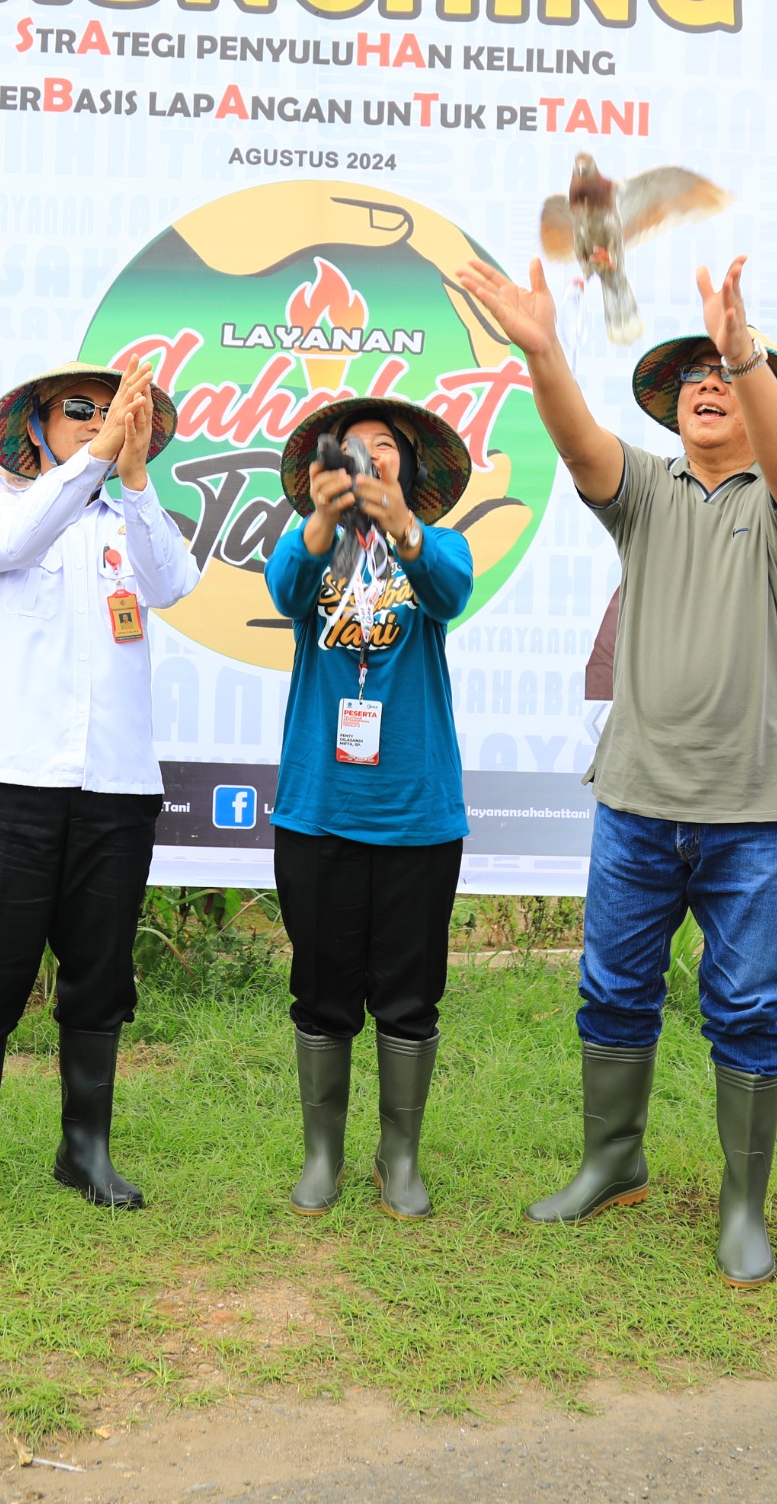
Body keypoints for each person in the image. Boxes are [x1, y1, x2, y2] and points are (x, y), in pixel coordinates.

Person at [458, 254, 777, 1284]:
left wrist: (743, 345)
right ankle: (610, 1161)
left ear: (769, 405)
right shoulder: (644, 493)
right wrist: (540, 347)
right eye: (693, 378)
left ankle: (742, 1204)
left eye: (727, 375)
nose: (708, 385)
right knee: (613, 988)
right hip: (634, 802)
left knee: (750, 1003)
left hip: (756, 812)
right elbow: (579, 441)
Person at [0, 358, 196, 1221]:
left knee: (100, 975)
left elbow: (175, 585)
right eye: (81, 409)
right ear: (38, 427)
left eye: (115, 410)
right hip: (17, 781)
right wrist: (89, 463)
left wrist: (135, 472)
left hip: (117, 784)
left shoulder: (132, 513)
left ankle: (86, 1152)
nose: (101, 419)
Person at [262, 394, 476, 1221]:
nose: (367, 460)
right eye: (350, 450)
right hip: (318, 809)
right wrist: (320, 525)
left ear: (408, 470)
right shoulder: (308, 547)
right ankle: (323, 1156)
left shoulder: (437, 547)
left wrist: (403, 528)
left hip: (417, 812)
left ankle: (401, 1155)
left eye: (383, 448)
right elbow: (286, 591)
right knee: (321, 988)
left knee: (410, 993)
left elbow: (450, 590)